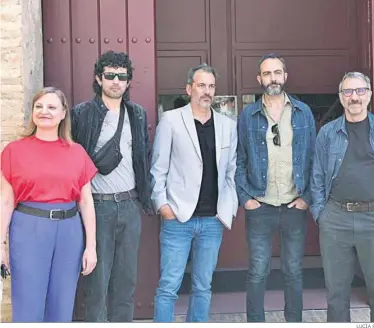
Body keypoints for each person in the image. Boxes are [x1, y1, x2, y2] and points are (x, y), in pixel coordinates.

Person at [0, 87, 97, 322]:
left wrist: (91, 246)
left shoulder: (77, 152)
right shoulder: (14, 151)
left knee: (62, 303)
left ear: (63, 114)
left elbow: (85, 201)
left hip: (69, 231)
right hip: (28, 227)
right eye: (39, 106)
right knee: (27, 301)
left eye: (52, 107)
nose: (45, 112)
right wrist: (0, 245)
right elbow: (6, 201)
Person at [150, 63, 238, 322]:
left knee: (203, 287)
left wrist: (229, 207)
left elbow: (231, 171)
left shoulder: (227, 125)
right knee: (168, 287)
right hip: (178, 218)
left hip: (213, 220)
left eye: (211, 86)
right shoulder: (171, 120)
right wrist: (163, 206)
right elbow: (158, 168)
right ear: (189, 89)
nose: (206, 91)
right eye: (201, 85)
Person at [71, 51, 153, 322]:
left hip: (130, 206)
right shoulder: (82, 114)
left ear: (128, 81)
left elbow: (143, 157)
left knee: (126, 281)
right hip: (98, 206)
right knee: (96, 283)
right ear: (99, 78)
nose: (116, 81)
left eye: (122, 76)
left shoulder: (137, 114)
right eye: (110, 76)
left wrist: (145, 197)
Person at [235, 53, 317, 322]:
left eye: (277, 72)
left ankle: (294, 322)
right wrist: (245, 197)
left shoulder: (303, 112)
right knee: (258, 270)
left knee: (294, 270)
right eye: (267, 73)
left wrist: (307, 197)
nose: (273, 78)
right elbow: (239, 158)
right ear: (259, 79)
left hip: (295, 206)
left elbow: (314, 159)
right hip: (261, 205)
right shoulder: (248, 115)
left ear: (285, 76)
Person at [311, 72, 374, 322]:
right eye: (348, 92)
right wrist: (321, 214)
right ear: (341, 97)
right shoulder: (328, 133)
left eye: (359, 91)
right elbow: (316, 175)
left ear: (369, 94)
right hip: (336, 219)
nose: (354, 97)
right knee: (336, 294)